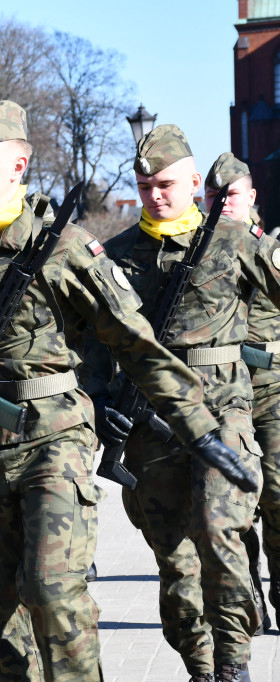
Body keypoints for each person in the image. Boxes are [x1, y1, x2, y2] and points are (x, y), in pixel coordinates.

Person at [0, 103, 248, 681]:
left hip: (53, 441)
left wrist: (199, 427)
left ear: (18, 166)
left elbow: (135, 344)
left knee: (53, 593)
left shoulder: (62, 247)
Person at [85, 127, 279, 682]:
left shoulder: (233, 241)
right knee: (174, 559)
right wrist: (99, 400)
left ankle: (235, 662)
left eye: (166, 184)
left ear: (196, 183)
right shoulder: (116, 255)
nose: (155, 195)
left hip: (223, 415)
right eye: (144, 185)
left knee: (221, 533)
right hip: (152, 425)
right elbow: (93, 342)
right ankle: (200, 665)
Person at [204, 153, 276, 635]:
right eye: (213, 196)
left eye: (230, 195)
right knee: (233, 507)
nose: (221, 204)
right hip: (220, 397)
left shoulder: (269, 249)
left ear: (250, 198)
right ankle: (247, 596)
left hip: (272, 391)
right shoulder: (197, 257)